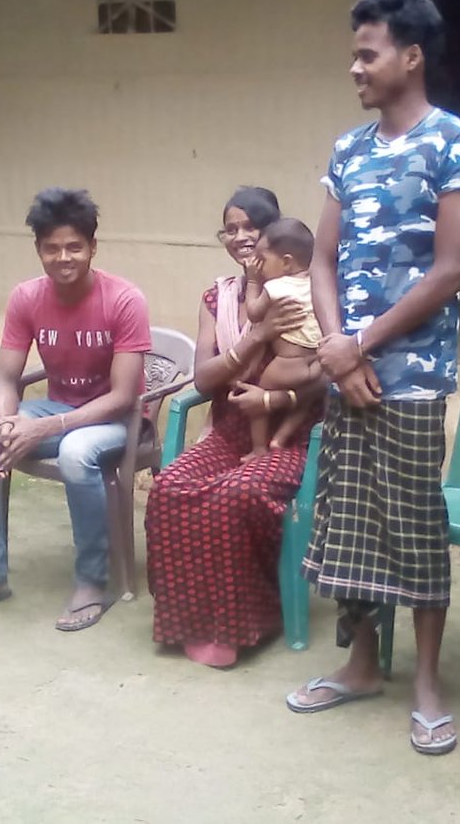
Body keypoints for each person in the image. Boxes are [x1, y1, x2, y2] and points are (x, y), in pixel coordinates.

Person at [287, 0, 460, 758]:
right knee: (349, 523)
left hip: (412, 377)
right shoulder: (349, 151)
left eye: (367, 54)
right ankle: (363, 664)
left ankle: (428, 683)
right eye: (353, 55)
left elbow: (450, 271)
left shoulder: (454, 143)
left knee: (412, 527)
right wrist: (338, 350)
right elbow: (322, 260)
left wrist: (357, 346)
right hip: (349, 373)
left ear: (411, 56)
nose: (355, 69)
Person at [0, 188, 152, 632]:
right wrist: (6, 425)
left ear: (93, 247)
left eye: (75, 246)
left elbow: (123, 396)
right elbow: (4, 378)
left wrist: (46, 427)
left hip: (116, 420)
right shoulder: (26, 298)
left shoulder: (124, 299)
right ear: (38, 250)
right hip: (55, 410)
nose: (63, 258)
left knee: (77, 451)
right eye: (51, 248)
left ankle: (94, 581)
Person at [144, 188, 324, 668]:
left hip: (296, 433)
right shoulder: (217, 297)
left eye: (252, 227)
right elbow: (204, 378)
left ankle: (239, 625)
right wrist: (258, 336)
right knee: (171, 487)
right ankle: (187, 621)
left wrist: (273, 397)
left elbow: (326, 370)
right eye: (231, 227)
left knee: (234, 495)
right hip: (229, 429)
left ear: (274, 237)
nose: (241, 237)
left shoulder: (313, 290)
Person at [243, 217, 323, 457]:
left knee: (257, 404)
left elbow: (254, 313)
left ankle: (258, 449)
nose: (258, 266)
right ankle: (280, 438)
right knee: (304, 401)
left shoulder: (276, 287)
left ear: (286, 262)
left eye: (262, 261)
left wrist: (253, 281)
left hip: (287, 364)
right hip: (315, 363)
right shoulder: (316, 284)